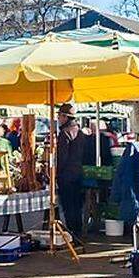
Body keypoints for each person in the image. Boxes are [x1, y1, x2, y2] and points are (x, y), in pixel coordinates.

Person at [53, 103, 87, 243]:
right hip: (78, 174)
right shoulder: (79, 131)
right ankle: (77, 232)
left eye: (59, 116)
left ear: (65, 117)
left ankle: (72, 234)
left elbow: (62, 158)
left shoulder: (65, 133)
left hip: (67, 175)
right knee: (76, 206)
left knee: (68, 206)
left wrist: (55, 174)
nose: (58, 119)